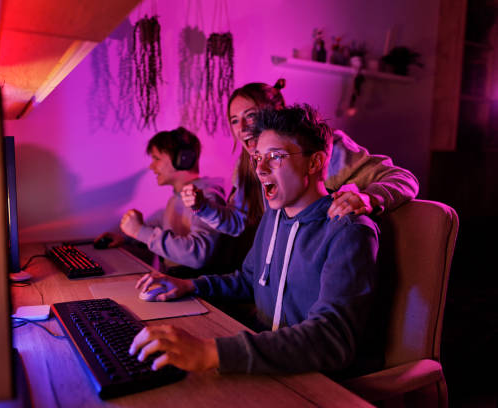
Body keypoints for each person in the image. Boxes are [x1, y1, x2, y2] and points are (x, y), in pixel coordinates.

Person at [129, 105, 382, 377]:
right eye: (258, 157)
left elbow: (330, 338)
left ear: (315, 162)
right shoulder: (273, 216)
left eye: (275, 156)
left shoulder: (348, 231)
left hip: (313, 379)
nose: (260, 168)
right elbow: (249, 281)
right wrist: (189, 285)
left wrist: (211, 352)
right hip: (266, 362)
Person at [181, 79, 419, 237]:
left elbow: (403, 178)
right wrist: (202, 207)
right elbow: (238, 223)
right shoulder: (248, 163)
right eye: (234, 120)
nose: (242, 128)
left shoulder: (325, 149)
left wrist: (368, 198)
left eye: (250, 116)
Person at [97, 127, 233, 276]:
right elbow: (159, 229)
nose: (151, 166)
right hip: (175, 281)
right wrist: (127, 237)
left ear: (183, 158)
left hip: (197, 289)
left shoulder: (206, 198)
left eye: (156, 158)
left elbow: (199, 255)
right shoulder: (176, 198)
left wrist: (139, 231)